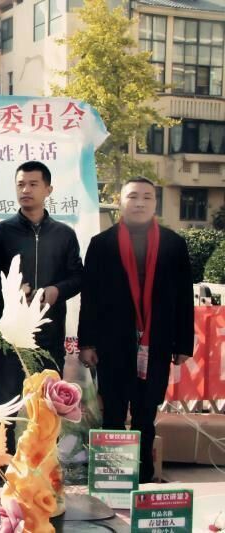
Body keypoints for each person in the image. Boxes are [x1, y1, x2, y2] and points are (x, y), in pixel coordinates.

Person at [79, 177, 193, 484]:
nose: (139, 203)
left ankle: (142, 477)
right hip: (113, 341)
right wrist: (87, 342)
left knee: (146, 412)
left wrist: (183, 343)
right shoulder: (102, 244)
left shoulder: (173, 244)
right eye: (132, 196)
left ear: (155, 203)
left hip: (157, 341)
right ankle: (113, 479)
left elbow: (185, 296)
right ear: (120, 202)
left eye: (147, 197)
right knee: (113, 411)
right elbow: (90, 296)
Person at [0, 160, 83, 453]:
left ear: (48, 190)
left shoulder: (64, 234)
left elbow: (78, 277)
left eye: (33, 184)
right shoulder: (0, 233)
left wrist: (57, 291)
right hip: (9, 337)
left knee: (47, 407)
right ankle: (3, 469)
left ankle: (44, 466)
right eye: (20, 185)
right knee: (5, 407)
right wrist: (9, 291)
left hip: (49, 336)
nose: (26, 190)